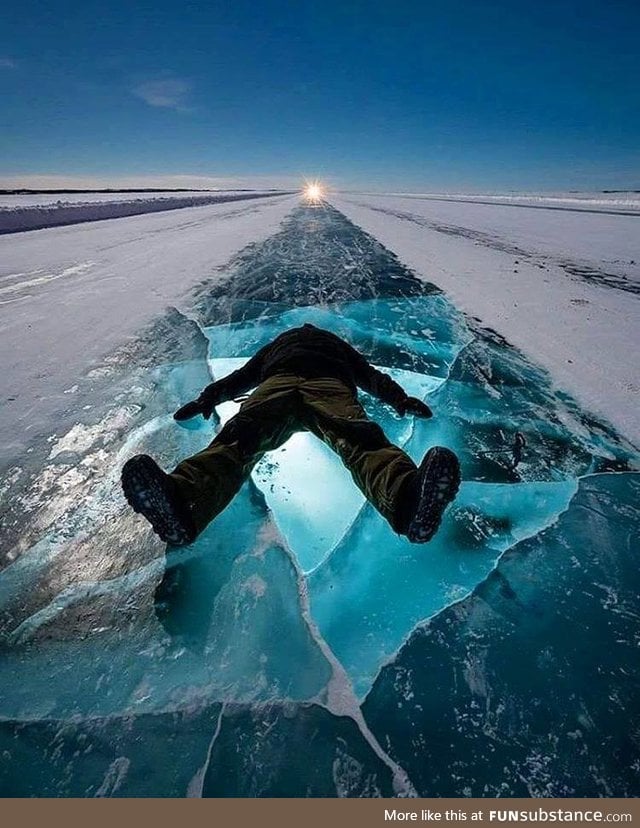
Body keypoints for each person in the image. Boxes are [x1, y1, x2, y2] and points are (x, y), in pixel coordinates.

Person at [121, 324, 461, 546]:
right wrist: (206, 399)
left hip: (293, 385)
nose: (307, 329)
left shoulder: (316, 345)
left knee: (244, 440)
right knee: (354, 440)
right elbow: (243, 376)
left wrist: (400, 399)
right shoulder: (297, 345)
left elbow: (369, 376)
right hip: (309, 384)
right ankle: (181, 504)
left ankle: (408, 501)